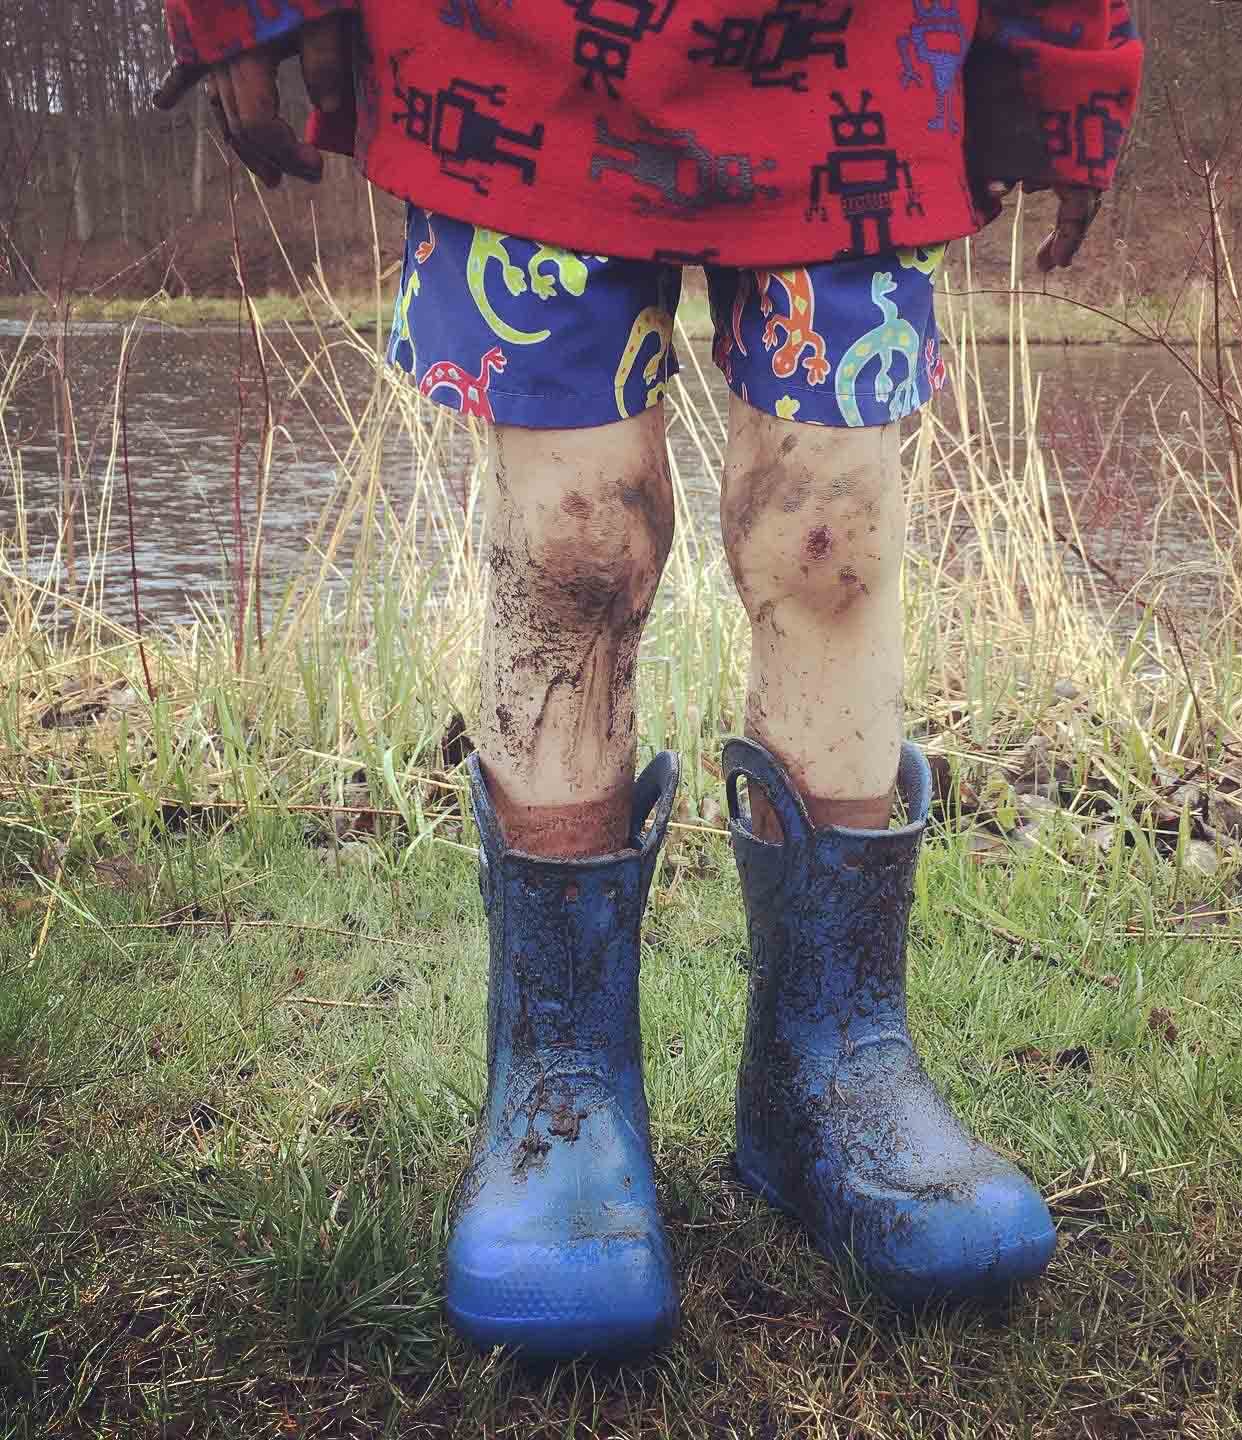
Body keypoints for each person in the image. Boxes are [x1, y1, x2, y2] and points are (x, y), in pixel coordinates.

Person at [157, 0, 1143, 1363]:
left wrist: (1067, 55)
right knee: (572, 541)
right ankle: (560, 1091)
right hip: (510, 56)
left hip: (856, 60)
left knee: (832, 530)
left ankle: (831, 1073)